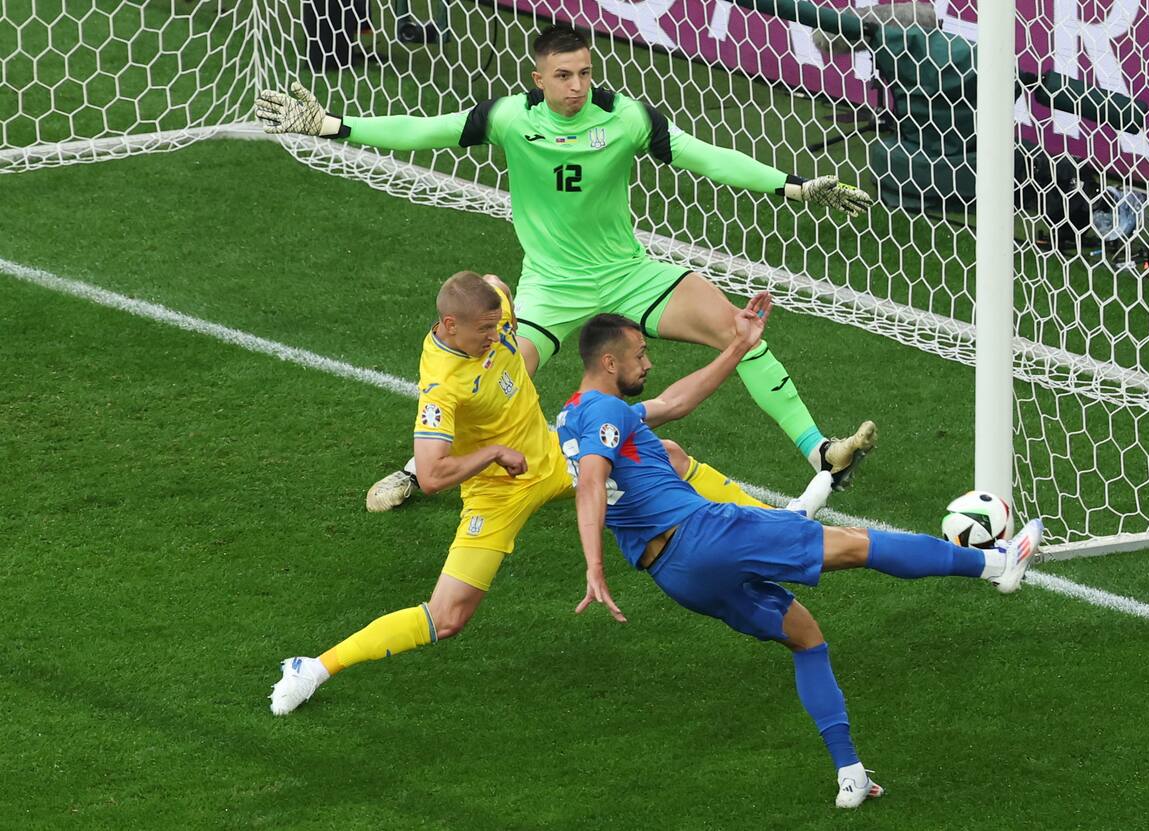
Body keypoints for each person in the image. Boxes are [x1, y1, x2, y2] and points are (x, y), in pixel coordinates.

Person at [255, 22, 879, 512]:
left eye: (584, 72)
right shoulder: (508, 119)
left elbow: (704, 156)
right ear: (539, 77)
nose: (577, 85)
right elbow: (427, 130)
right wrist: (337, 125)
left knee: (741, 333)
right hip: (552, 289)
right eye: (563, 75)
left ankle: (822, 451)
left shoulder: (626, 117)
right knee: (492, 380)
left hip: (631, 274)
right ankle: (421, 468)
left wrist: (791, 187)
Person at [555, 306, 1043, 809]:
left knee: (806, 639)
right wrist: (593, 566)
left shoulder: (574, 416)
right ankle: (996, 565)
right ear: (609, 362)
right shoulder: (606, 412)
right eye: (640, 355)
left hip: (675, 575)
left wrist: (740, 347)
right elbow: (591, 483)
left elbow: (674, 402)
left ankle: (850, 773)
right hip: (705, 534)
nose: (648, 363)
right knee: (858, 544)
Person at [269, 271, 786, 715]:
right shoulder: (441, 387)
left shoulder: (493, 303)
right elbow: (430, 475)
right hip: (498, 494)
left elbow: (491, 285)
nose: (496, 336)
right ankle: (313, 668)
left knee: (665, 452)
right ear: (450, 327)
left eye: (499, 325)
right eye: (484, 330)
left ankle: (784, 521)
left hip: (555, 454)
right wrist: (491, 452)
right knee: (446, 617)